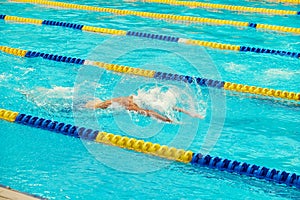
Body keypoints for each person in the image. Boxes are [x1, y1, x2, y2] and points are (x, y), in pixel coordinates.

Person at [85, 95, 204, 123]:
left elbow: (170, 107)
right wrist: (168, 121)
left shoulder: (142, 99)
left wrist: (191, 113)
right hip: (89, 107)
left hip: (96, 101)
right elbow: (149, 113)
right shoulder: (131, 106)